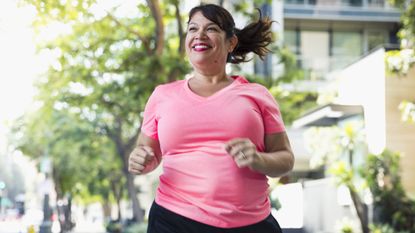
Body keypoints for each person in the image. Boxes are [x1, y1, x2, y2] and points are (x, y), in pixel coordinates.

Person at [128, 3, 294, 233]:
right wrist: (141, 159)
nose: (199, 35)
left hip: (250, 223)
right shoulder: (162, 96)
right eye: (193, 29)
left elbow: (285, 158)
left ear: (231, 42)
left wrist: (259, 160)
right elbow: (147, 153)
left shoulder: (257, 94)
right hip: (174, 220)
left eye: (212, 29)